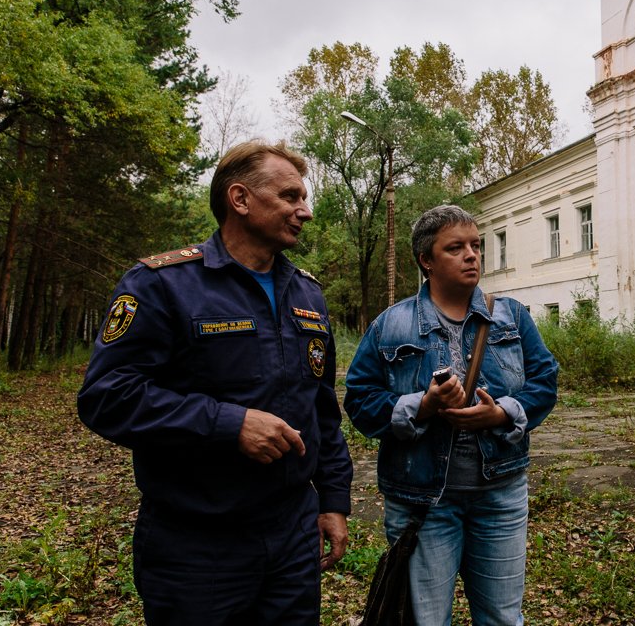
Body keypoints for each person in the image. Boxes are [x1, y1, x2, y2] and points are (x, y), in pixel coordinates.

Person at [77, 141, 353, 626]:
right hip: (197, 542)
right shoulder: (162, 284)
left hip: (291, 534)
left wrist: (333, 500)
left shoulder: (307, 293)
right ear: (240, 199)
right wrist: (228, 424)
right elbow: (106, 397)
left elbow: (321, 409)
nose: (304, 211)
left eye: (303, 197)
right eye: (289, 196)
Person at [345, 204, 558, 626]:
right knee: (424, 620)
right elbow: (359, 400)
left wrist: (501, 414)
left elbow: (545, 381)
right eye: (456, 247)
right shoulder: (391, 325)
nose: (472, 255)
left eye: (476, 246)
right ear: (426, 260)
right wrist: (422, 406)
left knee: (501, 617)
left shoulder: (511, 317)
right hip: (423, 503)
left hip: (499, 497)